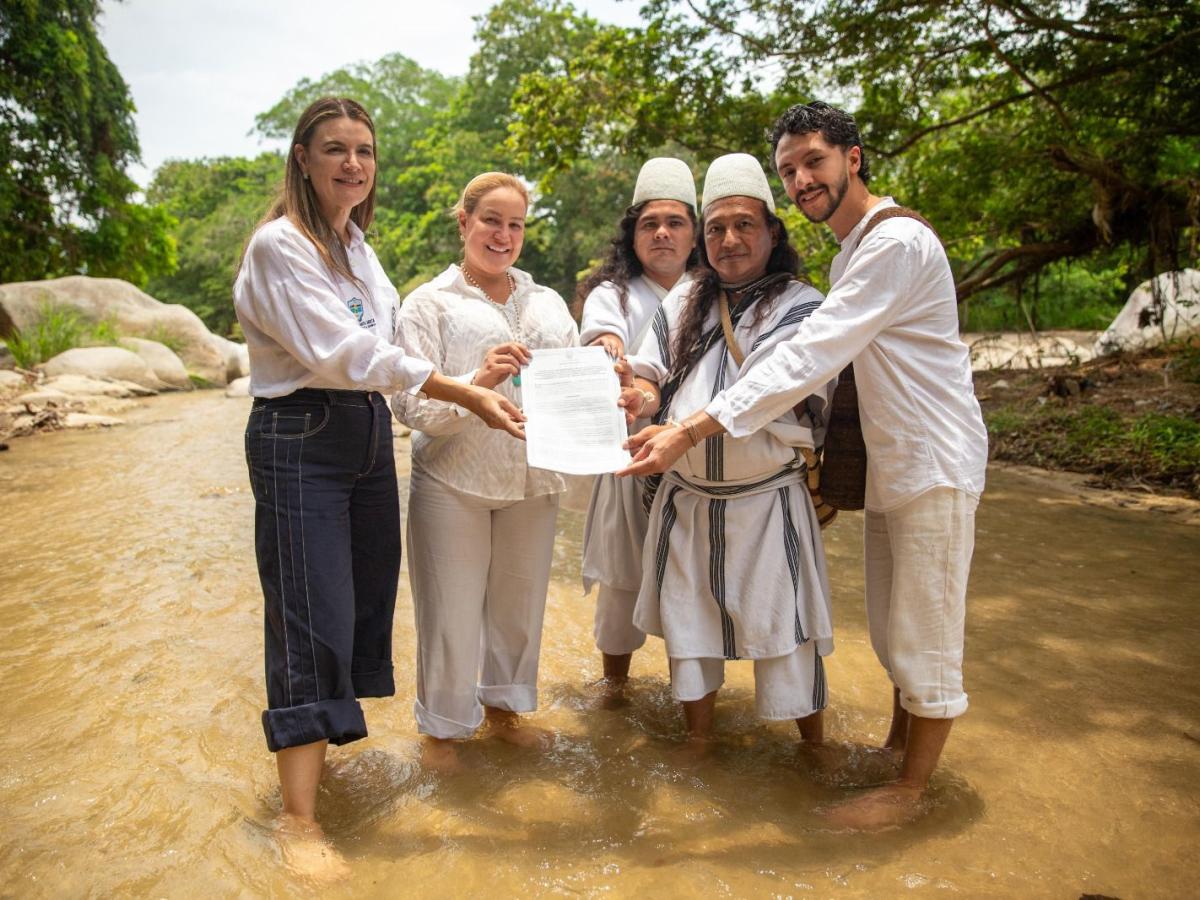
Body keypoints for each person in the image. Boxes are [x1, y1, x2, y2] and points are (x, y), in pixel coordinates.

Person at [620, 102, 988, 829]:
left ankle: (911, 793)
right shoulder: (853, 251)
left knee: (925, 633)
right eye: (788, 169)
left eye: (812, 162)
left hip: (932, 461)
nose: (801, 180)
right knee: (892, 629)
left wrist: (688, 427)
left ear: (853, 157)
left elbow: (809, 359)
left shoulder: (893, 243)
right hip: (892, 464)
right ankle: (895, 752)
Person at [235, 99, 524, 863]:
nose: (353, 163)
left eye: (364, 150)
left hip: (364, 435)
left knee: (356, 606)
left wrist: (473, 381)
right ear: (303, 158)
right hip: (301, 432)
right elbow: (341, 351)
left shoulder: (357, 247)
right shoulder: (280, 245)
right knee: (308, 614)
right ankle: (298, 821)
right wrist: (460, 391)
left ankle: (316, 764)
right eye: (335, 149)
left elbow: (389, 349)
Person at [619, 153, 835, 752]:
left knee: (788, 633)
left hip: (768, 503)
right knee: (689, 632)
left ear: (773, 232)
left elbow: (762, 393)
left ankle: (813, 755)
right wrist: (637, 397)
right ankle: (699, 747)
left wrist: (683, 432)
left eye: (744, 225)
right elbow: (652, 371)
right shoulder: (684, 297)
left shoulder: (803, 306)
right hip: (688, 499)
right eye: (715, 228)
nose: (729, 240)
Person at [391, 172, 580, 771]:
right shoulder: (428, 302)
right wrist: (479, 381)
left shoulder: (548, 302)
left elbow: (574, 387)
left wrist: (614, 392)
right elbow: (408, 406)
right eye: (491, 221)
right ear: (464, 222)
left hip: (533, 478)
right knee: (449, 612)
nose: (503, 235)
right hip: (453, 480)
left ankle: (504, 716)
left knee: (519, 606)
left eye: (515, 224)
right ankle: (442, 733)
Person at [576, 157, 699, 705]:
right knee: (622, 578)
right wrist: (611, 351)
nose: (662, 233)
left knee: (690, 578)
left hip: (699, 457)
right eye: (650, 224)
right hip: (629, 452)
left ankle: (689, 694)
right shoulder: (616, 293)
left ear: (694, 234)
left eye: (675, 223)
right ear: (633, 236)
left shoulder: (714, 289)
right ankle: (615, 688)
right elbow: (602, 337)